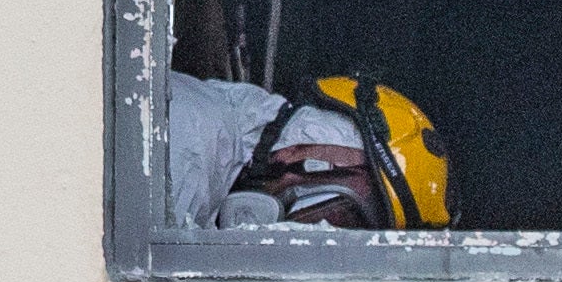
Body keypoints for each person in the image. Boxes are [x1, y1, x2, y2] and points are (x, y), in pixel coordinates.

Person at [164, 65, 451, 230]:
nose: (328, 232)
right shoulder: (186, 141)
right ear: (300, 150)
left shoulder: (216, 153)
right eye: (349, 216)